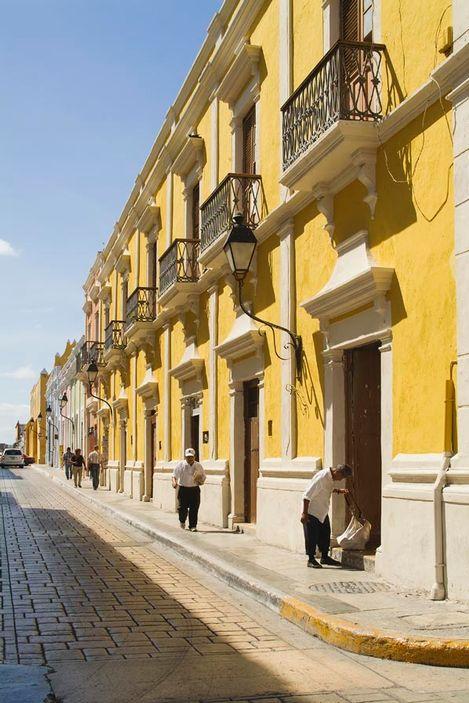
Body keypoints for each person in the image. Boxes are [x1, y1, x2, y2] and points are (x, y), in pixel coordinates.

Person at [301, 464, 353, 569]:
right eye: (342, 477)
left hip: (322, 511)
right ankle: (311, 559)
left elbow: (327, 488)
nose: (341, 479)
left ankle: (325, 557)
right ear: (337, 472)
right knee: (312, 536)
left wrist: (339, 491)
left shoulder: (330, 477)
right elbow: (307, 495)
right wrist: (304, 513)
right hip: (312, 511)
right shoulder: (322, 477)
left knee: (325, 534)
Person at [172, 448, 206, 532]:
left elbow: (203, 477)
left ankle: (192, 526)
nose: (189, 459)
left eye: (191, 457)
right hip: (183, 489)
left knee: (194, 508)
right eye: (188, 457)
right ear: (185, 457)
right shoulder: (181, 465)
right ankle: (182, 520)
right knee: (182, 508)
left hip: (194, 489)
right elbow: (174, 475)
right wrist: (174, 482)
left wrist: (201, 480)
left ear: (194, 457)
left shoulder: (198, 465)